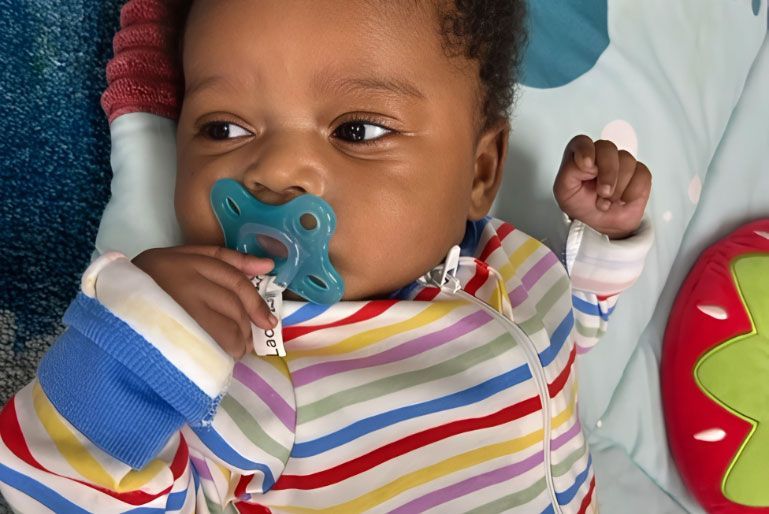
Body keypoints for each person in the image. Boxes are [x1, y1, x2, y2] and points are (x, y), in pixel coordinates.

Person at [0, 1, 653, 512]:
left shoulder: (521, 264)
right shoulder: (256, 364)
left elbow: (570, 332)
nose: (275, 170)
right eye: (223, 128)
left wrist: (599, 243)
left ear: (479, 171)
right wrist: (135, 348)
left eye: (357, 131)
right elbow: (69, 492)